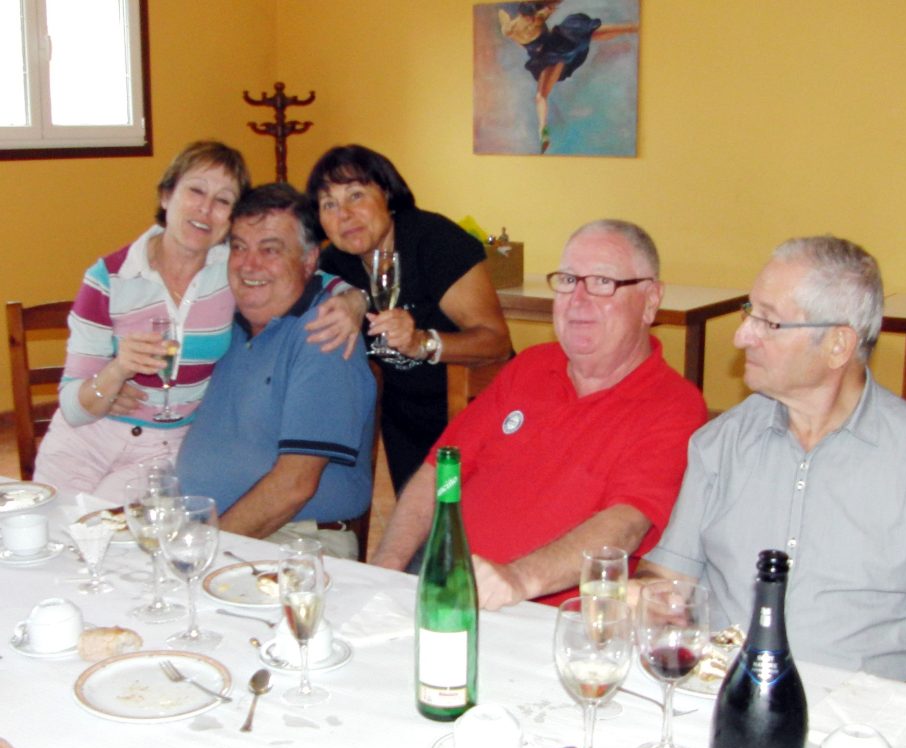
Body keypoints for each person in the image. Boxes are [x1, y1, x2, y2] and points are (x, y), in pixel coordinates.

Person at [635, 235, 906, 683]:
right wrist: (645, 597)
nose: (741, 336)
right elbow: (666, 578)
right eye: (749, 312)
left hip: (861, 716)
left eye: (768, 321)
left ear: (837, 345)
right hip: (720, 700)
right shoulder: (721, 443)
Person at [372, 219, 707, 609]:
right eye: (568, 280)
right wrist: (384, 569)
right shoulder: (530, 367)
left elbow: (626, 524)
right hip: (449, 589)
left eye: (602, 282)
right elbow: (439, 471)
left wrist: (518, 579)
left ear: (650, 300)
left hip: (549, 617)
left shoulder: (673, 406)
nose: (578, 300)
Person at [33, 141, 357, 501]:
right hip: (86, 436)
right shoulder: (109, 278)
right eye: (196, 191)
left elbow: (307, 276)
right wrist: (116, 372)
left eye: (223, 200)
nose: (206, 208)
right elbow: (73, 408)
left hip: (160, 451)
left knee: (110, 529)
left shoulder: (235, 270)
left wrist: (355, 301)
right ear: (166, 195)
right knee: (41, 525)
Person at [176, 183, 376, 559]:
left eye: (270, 250)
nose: (248, 265)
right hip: (210, 530)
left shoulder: (324, 333)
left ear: (309, 260)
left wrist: (202, 550)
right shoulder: (221, 323)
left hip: (293, 541)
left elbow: (295, 485)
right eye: (239, 247)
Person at [306, 144, 512, 494]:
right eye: (329, 204)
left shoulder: (435, 241)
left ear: (387, 194)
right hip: (405, 420)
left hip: (479, 416)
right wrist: (354, 298)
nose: (344, 215)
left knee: (472, 520)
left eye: (356, 195)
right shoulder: (336, 264)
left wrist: (422, 342)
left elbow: (496, 342)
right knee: (418, 523)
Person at [497, 1, 638, 153]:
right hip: (556, 50)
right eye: (529, 18)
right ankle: (543, 130)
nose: (530, 21)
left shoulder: (512, 28)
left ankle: (543, 129)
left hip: (552, 51)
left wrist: (509, 21)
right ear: (526, 15)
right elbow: (538, 14)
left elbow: (506, 21)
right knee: (588, 34)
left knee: (541, 96)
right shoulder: (536, 19)